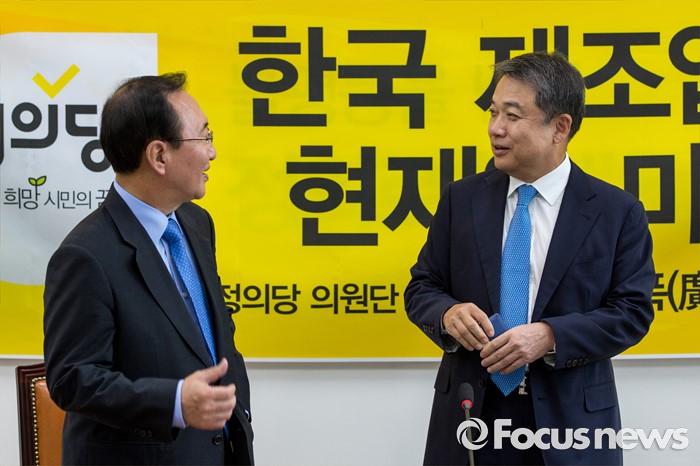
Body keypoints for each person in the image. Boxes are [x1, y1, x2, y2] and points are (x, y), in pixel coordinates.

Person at [404, 51, 655, 465]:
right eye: (493, 112)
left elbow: (631, 312)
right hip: (472, 415)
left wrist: (550, 336)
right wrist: (447, 314)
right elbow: (422, 287)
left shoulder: (615, 211)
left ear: (560, 127)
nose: (495, 128)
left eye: (513, 116)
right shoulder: (461, 199)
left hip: (570, 422)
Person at [43, 73, 254, 465]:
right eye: (203, 137)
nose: (212, 153)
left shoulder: (197, 224)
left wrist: (238, 420)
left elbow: (217, 337)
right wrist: (173, 403)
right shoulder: (85, 255)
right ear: (159, 156)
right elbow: (73, 379)